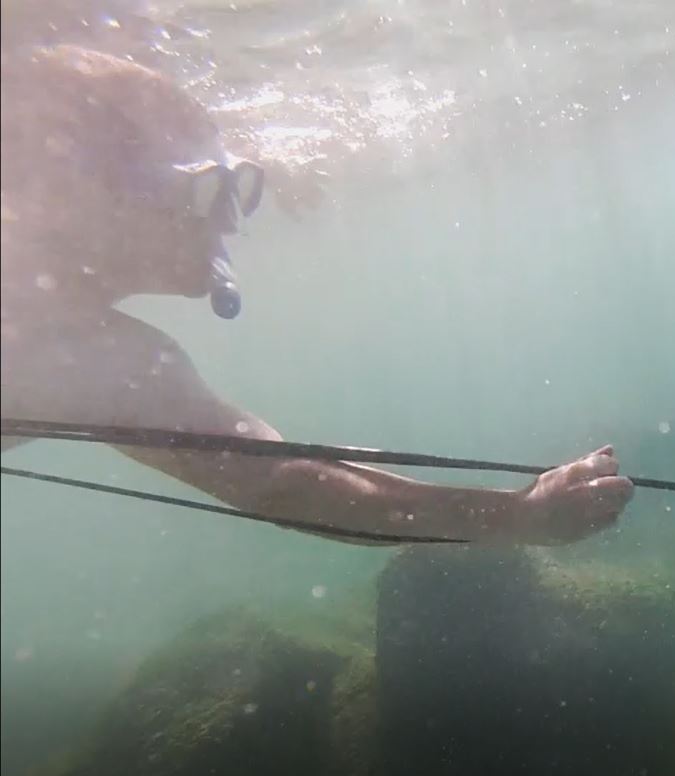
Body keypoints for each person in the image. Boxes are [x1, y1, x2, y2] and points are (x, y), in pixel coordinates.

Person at [0, 44, 635, 546]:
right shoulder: (78, 350)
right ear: (85, 198)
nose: (231, 218)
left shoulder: (81, 334)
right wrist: (520, 519)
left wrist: (519, 517)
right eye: (207, 189)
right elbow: (284, 485)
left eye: (242, 187)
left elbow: (281, 475)